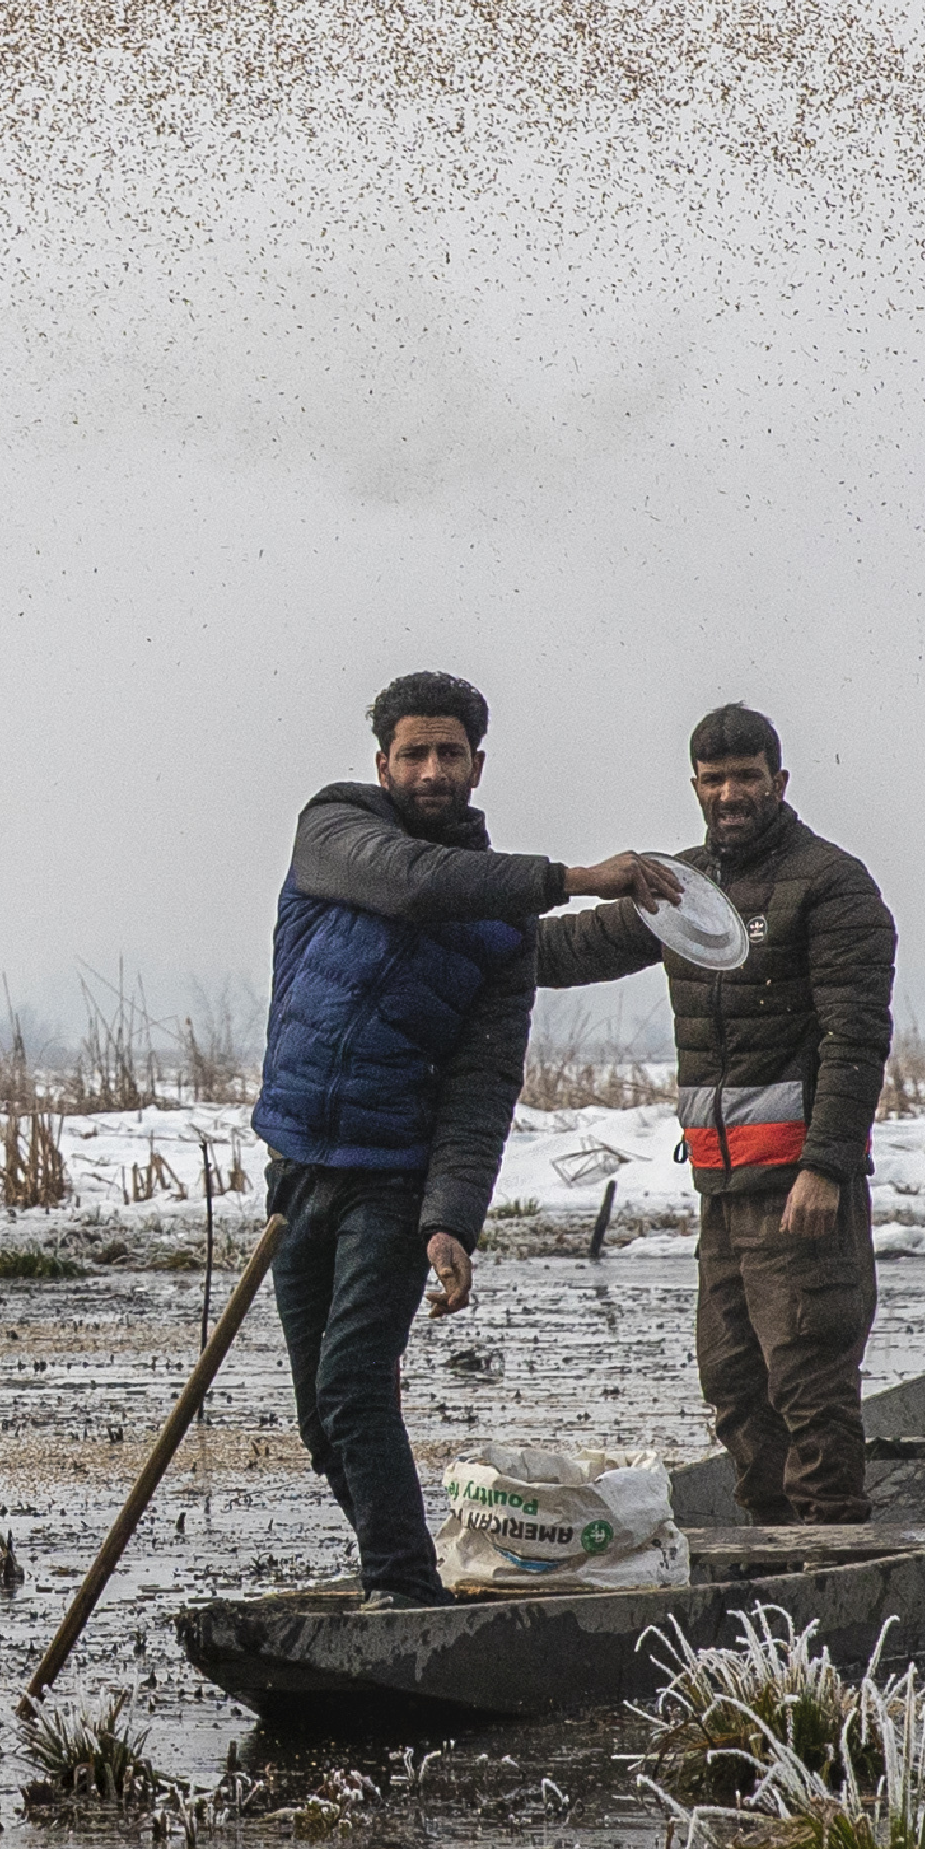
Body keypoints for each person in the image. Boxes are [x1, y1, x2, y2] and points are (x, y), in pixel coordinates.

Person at [253, 671, 687, 1605]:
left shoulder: (501, 926)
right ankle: (397, 1572)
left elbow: (480, 1088)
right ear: (383, 763)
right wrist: (573, 879)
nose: (432, 769)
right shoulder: (334, 831)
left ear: (478, 766)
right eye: (414, 752)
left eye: (450, 753)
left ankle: (403, 1594)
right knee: (321, 1422)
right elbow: (416, 886)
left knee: (353, 1387)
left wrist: (451, 1219)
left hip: (389, 1182)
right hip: (297, 1170)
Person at [536, 701, 898, 1524]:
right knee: (733, 1384)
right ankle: (766, 1553)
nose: (730, 793)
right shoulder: (680, 888)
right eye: (714, 779)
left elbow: (856, 1037)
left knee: (808, 1379)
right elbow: (564, 952)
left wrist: (826, 1165)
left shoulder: (832, 884)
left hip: (802, 1191)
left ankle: (830, 1549)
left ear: (779, 781)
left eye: (747, 776)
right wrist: (458, 935)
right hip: (722, 1189)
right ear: (695, 787)